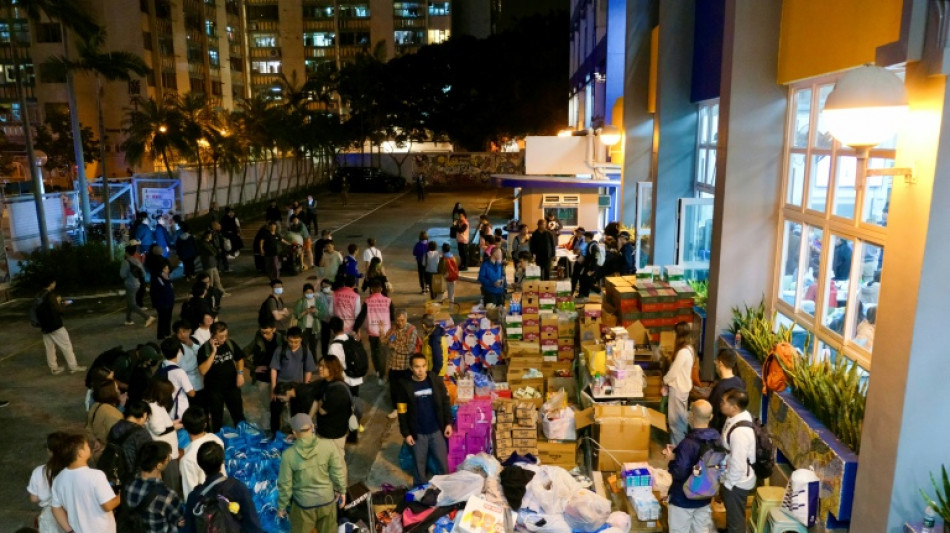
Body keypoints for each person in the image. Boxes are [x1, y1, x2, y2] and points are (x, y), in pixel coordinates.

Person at [276, 414, 347, 533]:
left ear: (294, 432)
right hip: (327, 502)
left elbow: (285, 485)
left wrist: (282, 507)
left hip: (303, 507)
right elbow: (338, 471)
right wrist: (342, 490)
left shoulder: (288, 455)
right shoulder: (329, 446)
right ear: (313, 427)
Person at [662, 400, 720, 533]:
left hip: (683, 499)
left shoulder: (687, 444)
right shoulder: (717, 439)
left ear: (691, 416)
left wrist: (672, 459)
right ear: (711, 417)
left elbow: (679, 472)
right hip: (705, 496)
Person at [396, 353, 453, 486]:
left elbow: (445, 402)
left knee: (442, 464)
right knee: (419, 466)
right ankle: (420, 491)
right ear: (411, 367)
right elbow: (402, 412)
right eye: (417, 367)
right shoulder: (404, 386)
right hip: (418, 434)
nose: (421, 370)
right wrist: (406, 433)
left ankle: (445, 489)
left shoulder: (435, 381)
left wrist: (448, 423)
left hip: (436, 431)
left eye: (423, 366)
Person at [183, 442, 263, 533]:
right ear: (223, 461)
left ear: (200, 465)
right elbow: (253, 525)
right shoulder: (237, 487)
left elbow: (189, 529)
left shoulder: (194, 497)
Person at [51, 433, 120, 533]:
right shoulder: (96, 475)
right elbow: (108, 505)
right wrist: (123, 495)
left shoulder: (59, 479)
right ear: (80, 453)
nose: (90, 447)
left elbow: (56, 509)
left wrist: (69, 531)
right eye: (86, 446)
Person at [122, 441, 183, 532]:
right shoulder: (168, 495)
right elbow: (180, 520)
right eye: (167, 459)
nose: (169, 459)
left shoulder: (128, 485)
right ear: (159, 465)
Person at [196, 322, 246, 432]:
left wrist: (240, 373)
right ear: (212, 335)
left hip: (232, 386)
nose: (224, 338)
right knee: (217, 417)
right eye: (221, 336)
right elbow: (203, 371)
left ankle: (243, 436)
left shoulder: (229, 343)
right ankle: (218, 440)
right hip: (214, 390)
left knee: (238, 414)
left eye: (226, 335)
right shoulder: (204, 350)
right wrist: (213, 352)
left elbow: (240, 358)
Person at [720, 390, 757, 533]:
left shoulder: (739, 433)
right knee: (733, 513)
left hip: (737, 482)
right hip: (732, 476)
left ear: (734, 407)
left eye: (724, 402)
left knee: (736, 519)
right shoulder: (735, 418)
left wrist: (729, 484)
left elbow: (738, 463)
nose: (721, 404)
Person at [270, 327, 316, 437]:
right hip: (281, 387)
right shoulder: (280, 350)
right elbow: (274, 369)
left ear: (301, 339)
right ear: (286, 339)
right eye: (290, 341)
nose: (293, 344)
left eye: (296, 342)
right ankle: (275, 434)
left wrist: (306, 386)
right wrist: (273, 388)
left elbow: (308, 370)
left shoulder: (305, 350)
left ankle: (295, 433)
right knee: (275, 411)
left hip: (296, 388)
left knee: (297, 413)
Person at [36, 279, 86, 375]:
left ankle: (54, 368)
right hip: (55, 325)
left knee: (49, 348)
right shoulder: (50, 295)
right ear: (51, 284)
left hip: (44, 326)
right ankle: (73, 366)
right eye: (54, 282)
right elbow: (58, 311)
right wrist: (61, 304)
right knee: (66, 345)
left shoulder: (38, 295)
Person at [142, 378, 182, 490]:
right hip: (166, 451)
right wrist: (174, 427)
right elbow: (159, 429)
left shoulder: (152, 403)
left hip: (165, 449)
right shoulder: (154, 408)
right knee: (171, 482)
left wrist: (173, 423)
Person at [104, 400, 153, 489]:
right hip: (134, 477)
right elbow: (149, 457)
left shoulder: (116, 427)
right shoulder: (141, 433)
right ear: (144, 414)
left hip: (115, 472)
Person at [178, 407, 225, 500]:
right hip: (223, 491)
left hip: (206, 503)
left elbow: (190, 493)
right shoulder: (216, 440)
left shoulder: (187, 459)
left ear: (185, 428)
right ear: (205, 424)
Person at [354, 280, 394, 383]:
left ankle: (377, 371)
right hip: (384, 332)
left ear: (371, 290)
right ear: (381, 289)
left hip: (372, 331)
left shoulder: (368, 301)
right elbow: (392, 317)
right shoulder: (388, 301)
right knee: (382, 354)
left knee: (374, 353)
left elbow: (361, 316)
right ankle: (381, 376)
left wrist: (355, 328)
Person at [383, 309, 420, 419]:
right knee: (394, 390)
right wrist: (381, 331)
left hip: (405, 366)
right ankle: (397, 409)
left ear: (406, 319)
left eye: (402, 320)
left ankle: (409, 409)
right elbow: (385, 341)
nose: (400, 323)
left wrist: (394, 346)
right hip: (393, 365)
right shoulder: (393, 328)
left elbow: (410, 348)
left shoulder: (411, 330)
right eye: (398, 320)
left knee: (406, 389)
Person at [27, 432, 67, 533]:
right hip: (71, 512)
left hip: (49, 517)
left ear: (49, 451)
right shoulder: (73, 470)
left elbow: (33, 498)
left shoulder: (39, 471)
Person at [664, 322, 695, 446]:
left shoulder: (683, 352)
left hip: (678, 390)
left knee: (676, 423)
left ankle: (677, 450)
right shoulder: (689, 349)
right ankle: (675, 448)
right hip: (682, 389)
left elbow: (673, 372)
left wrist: (664, 381)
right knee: (679, 421)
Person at [312, 356, 352, 452]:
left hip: (334, 436)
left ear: (333, 369)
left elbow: (322, 411)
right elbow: (316, 401)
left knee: (337, 465)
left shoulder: (337, 390)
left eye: (324, 367)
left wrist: (319, 402)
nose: (320, 369)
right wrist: (309, 420)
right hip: (323, 432)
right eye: (320, 365)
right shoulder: (324, 383)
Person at [708, 349, 747, 433]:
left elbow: (712, 412)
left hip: (721, 430)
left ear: (720, 363)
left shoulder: (720, 388)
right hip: (735, 426)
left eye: (716, 361)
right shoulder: (740, 381)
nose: (715, 363)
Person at [327, 316, 364, 398]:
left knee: (346, 405)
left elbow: (334, 367)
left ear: (332, 330)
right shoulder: (351, 339)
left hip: (344, 381)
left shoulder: (333, 347)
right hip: (356, 377)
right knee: (354, 401)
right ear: (342, 326)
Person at [120, 245, 157, 327]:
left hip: (130, 284)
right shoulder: (137, 261)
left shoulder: (126, 262)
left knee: (132, 304)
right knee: (129, 302)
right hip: (137, 283)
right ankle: (128, 319)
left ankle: (147, 317)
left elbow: (122, 275)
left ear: (126, 252)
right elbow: (143, 273)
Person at [172, 320, 204, 410]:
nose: (182, 335)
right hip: (188, 383)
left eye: (184, 331)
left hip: (200, 380)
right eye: (179, 332)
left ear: (190, 331)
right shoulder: (176, 347)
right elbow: (180, 366)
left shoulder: (195, 340)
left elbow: (201, 353)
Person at [87, 380, 125, 452]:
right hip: (109, 449)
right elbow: (117, 434)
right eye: (116, 388)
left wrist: (95, 440)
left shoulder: (95, 405)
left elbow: (88, 427)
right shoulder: (111, 413)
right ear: (111, 392)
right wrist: (121, 407)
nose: (118, 391)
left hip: (100, 445)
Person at [294, 283, 324, 361]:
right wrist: (306, 311)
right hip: (304, 327)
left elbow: (322, 314)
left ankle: (313, 362)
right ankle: (303, 362)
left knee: (313, 347)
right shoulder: (300, 302)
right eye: (307, 293)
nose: (309, 294)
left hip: (314, 328)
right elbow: (297, 315)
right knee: (303, 346)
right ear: (304, 293)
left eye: (311, 292)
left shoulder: (317, 302)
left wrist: (315, 312)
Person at [150, 264, 175, 339]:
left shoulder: (167, 277)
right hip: (162, 302)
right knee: (163, 318)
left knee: (168, 318)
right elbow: (158, 290)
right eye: (165, 268)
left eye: (167, 268)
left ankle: (167, 333)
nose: (167, 270)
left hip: (169, 301)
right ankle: (161, 335)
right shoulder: (158, 278)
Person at [316, 278, 335, 358]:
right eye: (323, 287)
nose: (325, 288)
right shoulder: (320, 295)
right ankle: (325, 356)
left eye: (326, 286)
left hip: (334, 320)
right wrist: (317, 283)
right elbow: (311, 294)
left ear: (330, 286)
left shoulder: (335, 294)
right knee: (325, 339)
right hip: (324, 321)